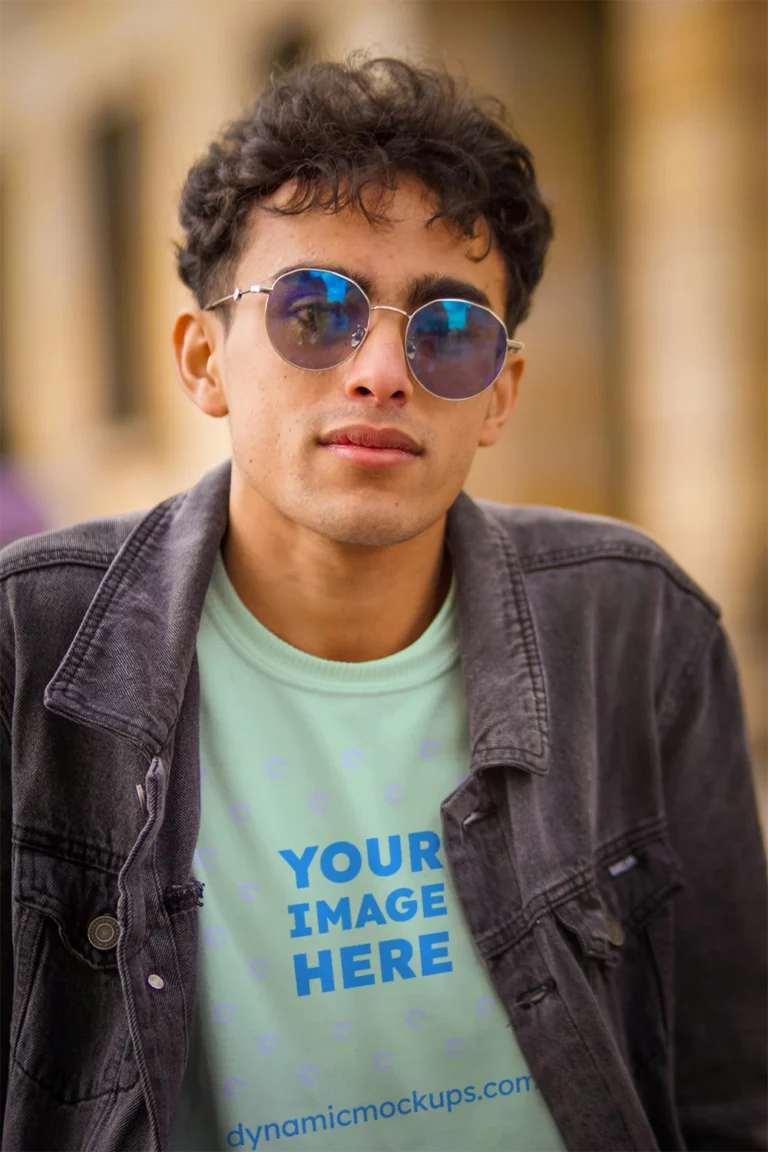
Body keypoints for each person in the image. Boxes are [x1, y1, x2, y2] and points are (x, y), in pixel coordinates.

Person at [0, 57, 766, 1152]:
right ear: (204, 358)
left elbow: (729, 1093)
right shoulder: (29, 647)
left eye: (450, 330)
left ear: (499, 393)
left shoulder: (635, 627)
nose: (383, 368)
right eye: (316, 311)